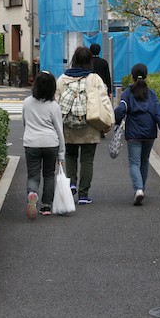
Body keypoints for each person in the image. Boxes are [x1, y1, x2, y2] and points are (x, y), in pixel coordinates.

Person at [55, 46, 112, 204]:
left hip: (68, 125)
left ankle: (71, 183)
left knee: (70, 155)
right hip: (90, 125)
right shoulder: (95, 79)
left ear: (74, 60)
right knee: (87, 159)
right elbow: (104, 101)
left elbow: (56, 101)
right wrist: (108, 121)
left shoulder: (62, 79)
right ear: (89, 61)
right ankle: (83, 195)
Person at [114, 63, 160, 206]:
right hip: (149, 132)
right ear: (146, 77)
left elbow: (120, 110)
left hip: (134, 133)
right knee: (144, 161)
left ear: (132, 77)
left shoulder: (127, 93)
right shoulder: (151, 94)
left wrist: (117, 122)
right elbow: (159, 112)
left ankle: (138, 189)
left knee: (134, 162)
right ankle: (141, 189)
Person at [22, 71, 66, 218]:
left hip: (31, 143)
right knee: (48, 174)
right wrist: (61, 154)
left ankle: (32, 193)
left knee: (33, 175)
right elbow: (59, 130)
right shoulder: (54, 106)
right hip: (50, 143)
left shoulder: (27, 102)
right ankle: (46, 205)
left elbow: (24, 122)